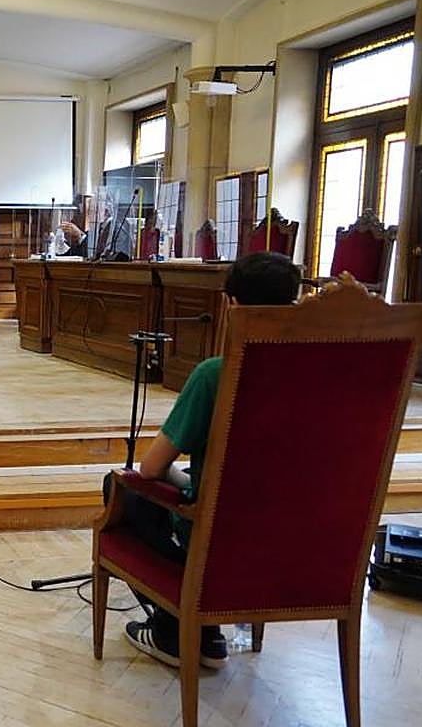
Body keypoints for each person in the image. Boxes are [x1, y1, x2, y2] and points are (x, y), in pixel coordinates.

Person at [117, 251, 302, 670]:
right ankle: (206, 630)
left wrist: (181, 479)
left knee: (123, 491)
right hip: (293, 530)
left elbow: (150, 469)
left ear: (232, 305)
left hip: (220, 527)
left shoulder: (217, 374)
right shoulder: (322, 374)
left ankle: (178, 629)